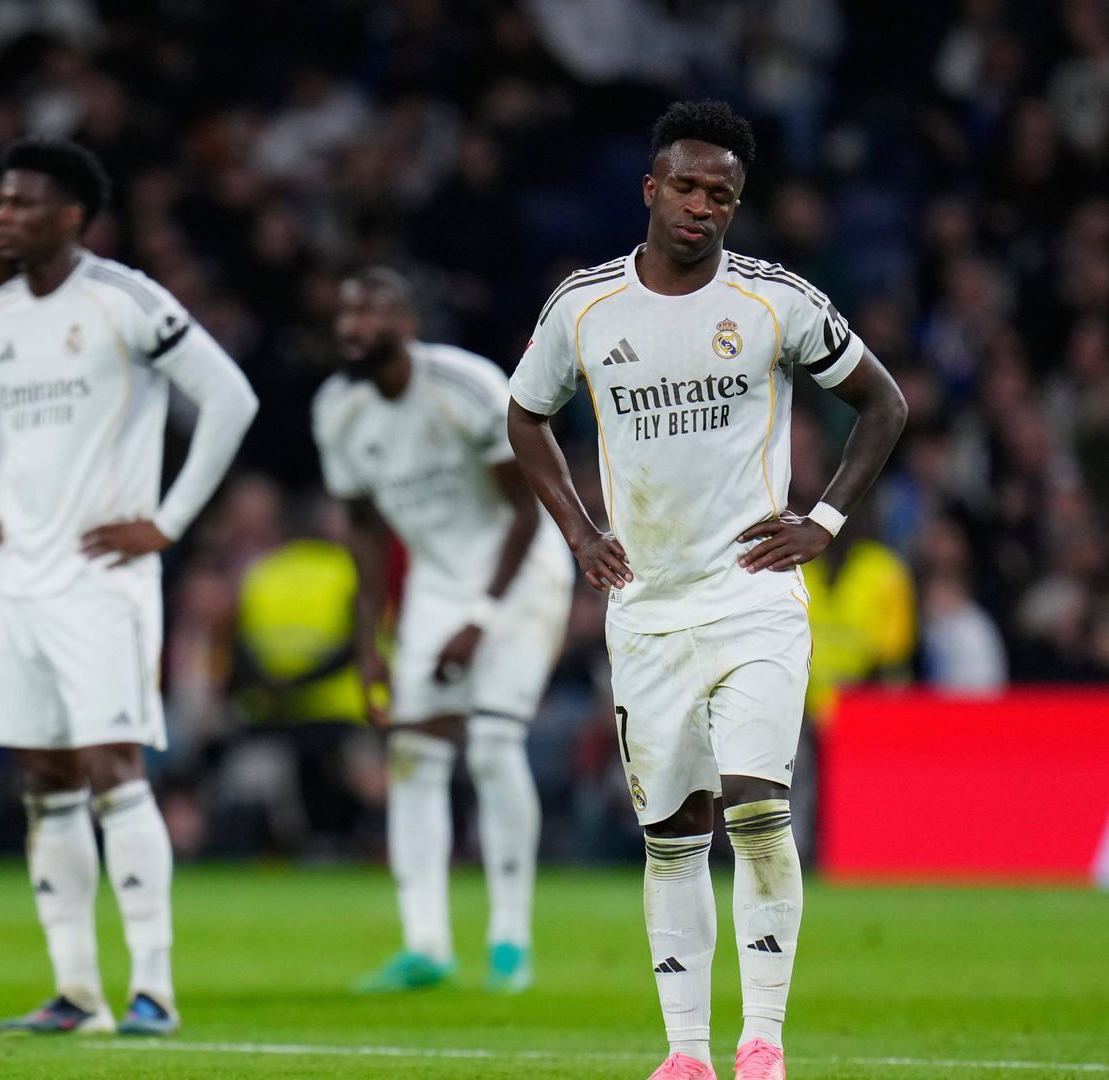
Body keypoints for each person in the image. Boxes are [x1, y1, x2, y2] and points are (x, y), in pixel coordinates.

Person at [506, 101, 908, 1080]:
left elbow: (882, 404)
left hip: (751, 593)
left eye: (721, 195)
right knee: (674, 834)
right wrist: (579, 530)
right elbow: (524, 417)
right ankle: (685, 1055)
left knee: (757, 804)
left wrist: (826, 522)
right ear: (651, 187)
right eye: (685, 187)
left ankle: (762, 1043)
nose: (701, 207)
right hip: (645, 606)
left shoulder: (775, 301)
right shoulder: (585, 307)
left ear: (737, 204)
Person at [0, 137, 258, 1037]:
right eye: (0, 200)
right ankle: (77, 992)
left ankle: (155, 990)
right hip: (18, 582)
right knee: (43, 778)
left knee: (112, 767)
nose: (3, 214)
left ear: (71, 217)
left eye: (23, 203)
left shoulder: (124, 298)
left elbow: (230, 397)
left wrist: (167, 522)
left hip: (103, 581)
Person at [312, 267, 574, 995]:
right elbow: (364, 539)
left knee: (491, 744)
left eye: (369, 312)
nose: (351, 327)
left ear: (408, 324)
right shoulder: (337, 410)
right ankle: (426, 943)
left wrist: (480, 619)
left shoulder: (464, 387)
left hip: (518, 574)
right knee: (414, 754)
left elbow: (523, 513)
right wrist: (371, 646)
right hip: (433, 583)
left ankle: (510, 943)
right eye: (345, 313)